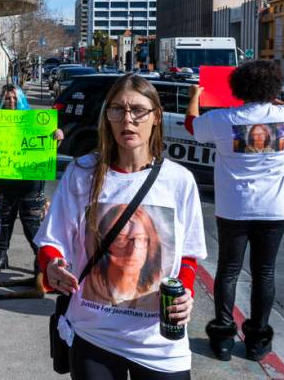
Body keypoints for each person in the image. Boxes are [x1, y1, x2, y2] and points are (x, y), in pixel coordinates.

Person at [36, 75, 206, 379]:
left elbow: (189, 255)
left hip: (158, 341)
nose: (128, 119)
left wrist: (185, 294)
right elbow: (52, 240)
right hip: (93, 333)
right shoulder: (82, 172)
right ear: (108, 117)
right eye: (117, 110)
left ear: (156, 117)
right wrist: (52, 266)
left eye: (138, 110)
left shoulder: (179, 181)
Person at [186, 60, 284, 362]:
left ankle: (223, 337)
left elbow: (192, 127)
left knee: (228, 271)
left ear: (237, 87)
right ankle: (257, 340)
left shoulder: (223, 119)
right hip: (275, 211)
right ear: (275, 87)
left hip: (234, 208)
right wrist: (275, 100)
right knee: (265, 273)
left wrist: (194, 97)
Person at [0, 84, 62, 274]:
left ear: (20, 99)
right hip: (3, 178)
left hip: (30, 180)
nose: (11, 102)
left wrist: (58, 138)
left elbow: (48, 148)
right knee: (4, 219)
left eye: (14, 98)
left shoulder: (35, 121)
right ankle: (1, 256)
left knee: (31, 222)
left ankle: (40, 259)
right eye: (7, 98)